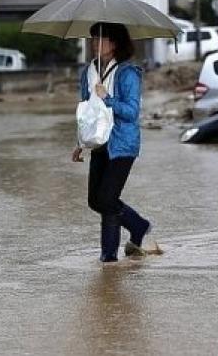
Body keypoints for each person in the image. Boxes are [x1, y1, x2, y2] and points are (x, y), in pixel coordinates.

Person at [71, 22, 152, 263]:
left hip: (122, 144)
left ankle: (108, 257)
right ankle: (138, 227)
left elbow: (131, 112)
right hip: (98, 142)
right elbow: (86, 112)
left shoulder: (128, 73)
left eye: (100, 39)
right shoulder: (88, 73)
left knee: (107, 199)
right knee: (95, 200)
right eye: (93, 38)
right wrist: (80, 143)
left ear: (114, 43)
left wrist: (108, 98)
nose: (94, 43)